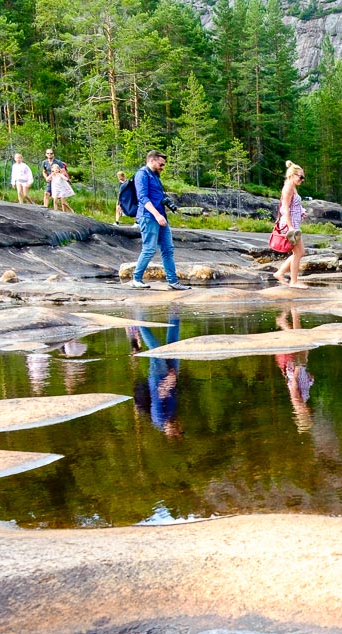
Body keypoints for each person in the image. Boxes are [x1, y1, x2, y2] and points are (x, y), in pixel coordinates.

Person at [128, 151, 190, 291]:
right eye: (161, 164)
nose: (162, 167)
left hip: (161, 217)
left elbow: (157, 195)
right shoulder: (142, 174)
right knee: (149, 249)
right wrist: (157, 215)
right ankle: (136, 279)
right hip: (149, 217)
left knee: (168, 249)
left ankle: (173, 282)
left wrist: (165, 202)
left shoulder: (155, 175)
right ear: (152, 161)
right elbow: (143, 198)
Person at [135, 312, 183, 439]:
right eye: (179, 428)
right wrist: (173, 378)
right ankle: (174, 313)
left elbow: (158, 394)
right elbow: (171, 394)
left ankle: (139, 320)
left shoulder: (159, 418)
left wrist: (169, 379)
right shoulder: (171, 416)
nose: (178, 426)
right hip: (171, 379)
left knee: (155, 348)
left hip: (159, 377)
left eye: (176, 430)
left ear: (169, 432)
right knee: (173, 345)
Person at [272, 160, 310, 289]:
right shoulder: (288, 187)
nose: (302, 179)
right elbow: (285, 208)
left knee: (300, 252)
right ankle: (293, 281)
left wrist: (302, 212)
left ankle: (280, 273)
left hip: (294, 223)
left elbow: (295, 205)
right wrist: (290, 227)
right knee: (298, 253)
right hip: (290, 225)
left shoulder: (292, 186)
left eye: (303, 177)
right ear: (292, 175)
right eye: (300, 177)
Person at [275, 309, 314, 432]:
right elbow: (303, 386)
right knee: (301, 340)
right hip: (301, 367)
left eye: (309, 416)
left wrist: (297, 369)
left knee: (301, 340)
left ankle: (292, 315)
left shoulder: (298, 404)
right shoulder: (303, 404)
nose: (310, 413)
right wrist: (310, 378)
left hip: (296, 367)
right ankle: (290, 316)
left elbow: (294, 386)